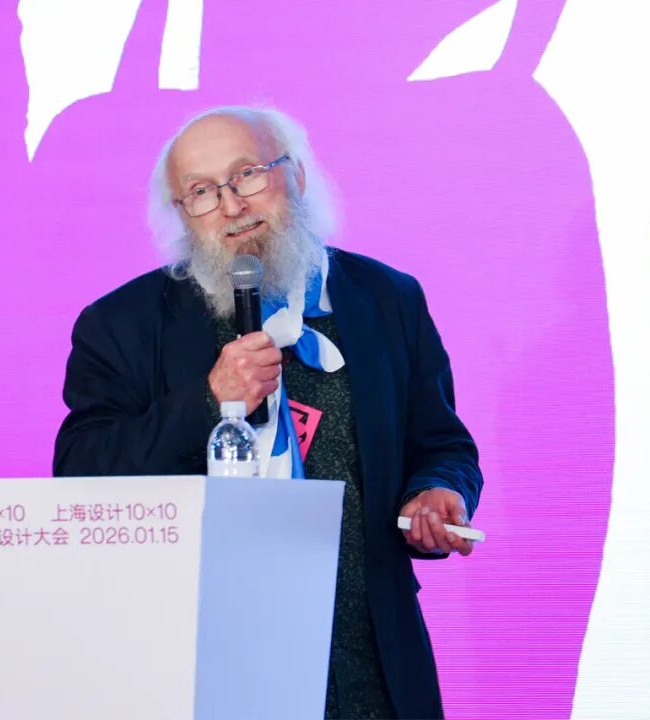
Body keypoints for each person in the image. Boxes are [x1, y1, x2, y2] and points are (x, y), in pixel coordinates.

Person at [54, 105, 483, 720]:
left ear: (296, 175)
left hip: (365, 655)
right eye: (201, 191)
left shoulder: (387, 299)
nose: (231, 205)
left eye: (247, 174)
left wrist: (436, 491)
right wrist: (210, 399)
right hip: (200, 660)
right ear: (182, 213)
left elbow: (441, 444)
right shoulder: (122, 324)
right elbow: (81, 472)